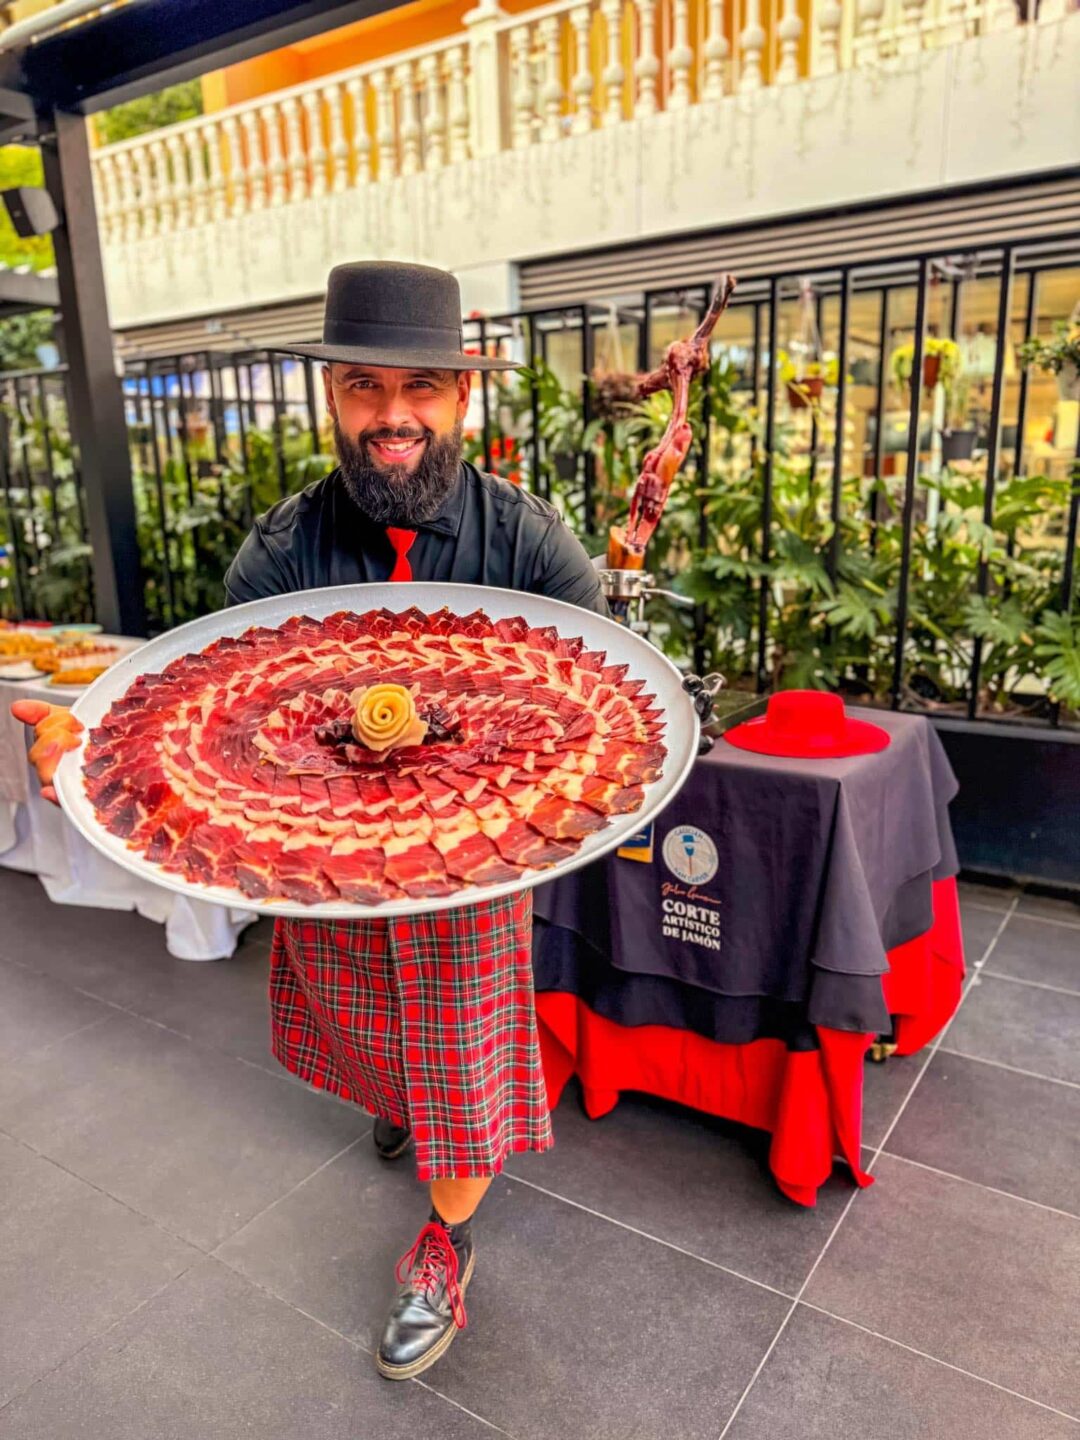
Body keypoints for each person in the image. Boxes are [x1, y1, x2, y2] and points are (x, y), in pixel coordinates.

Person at [12, 261, 611, 1383]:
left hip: (468, 864)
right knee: (357, 1011)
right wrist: (82, 737)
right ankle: (401, 1105)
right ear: (334, 397)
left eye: (422, 388)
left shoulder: (529, 541)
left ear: (461, 398)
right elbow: (206, 691)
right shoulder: (285, 548)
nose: (395, 417)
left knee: (458, 1047)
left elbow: (604, 691)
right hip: (317, 850)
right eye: (367, 389)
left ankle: (447, 1240)